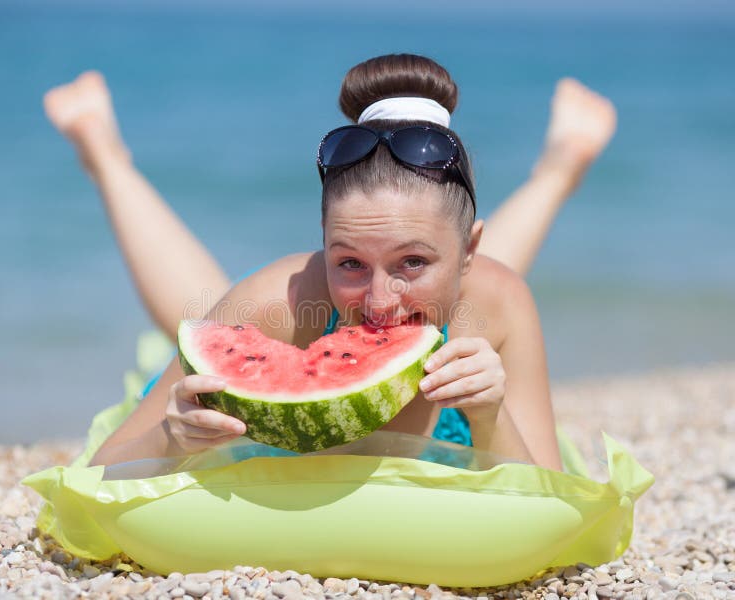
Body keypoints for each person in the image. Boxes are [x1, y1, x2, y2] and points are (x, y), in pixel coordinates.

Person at [44, 55, 616, 471]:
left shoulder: (501, 301)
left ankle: (560, 165)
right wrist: (172, 435)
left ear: (473, 250)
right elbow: (101, 467)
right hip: (285, 315)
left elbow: (550, 500)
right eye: (349, 263)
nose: (378, 302)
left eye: (410, 261)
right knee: (200, 310)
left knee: (463, 299)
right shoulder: (275, 302)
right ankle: (105, 154)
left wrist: (489, 417)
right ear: (322, 242)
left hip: (468, 285)